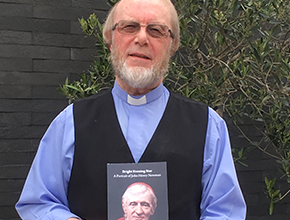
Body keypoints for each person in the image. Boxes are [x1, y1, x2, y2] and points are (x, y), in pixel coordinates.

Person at [16, 0, 247, 219]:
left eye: (156, 30)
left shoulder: (209, 125)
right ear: (110, 38)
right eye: (129, 27)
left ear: (173, 45)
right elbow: (39, 202)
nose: (142, 38)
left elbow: (225, 211)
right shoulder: (70, 123)